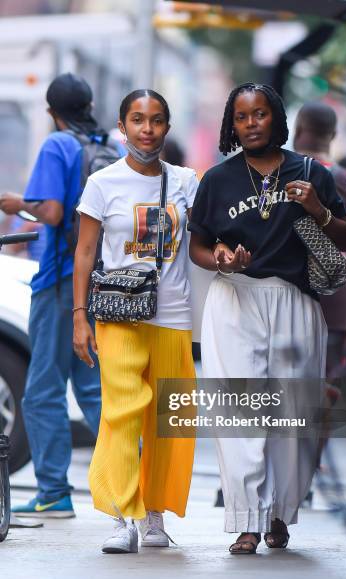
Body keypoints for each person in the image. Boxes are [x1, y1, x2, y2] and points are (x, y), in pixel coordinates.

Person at [189, 82, 346, 554]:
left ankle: (280, 514)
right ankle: (247, 519)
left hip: (294, 300)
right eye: (241, 117)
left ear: (278, 119)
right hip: (235, 298)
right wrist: (220, 256)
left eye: (260, 114)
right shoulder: (218, 180)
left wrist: (317, 208)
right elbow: (199, 245)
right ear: (231, 125)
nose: (251, 123)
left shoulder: (312, 173)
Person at [73, 89, 198, 554]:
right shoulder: (103, 183)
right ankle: (121, 514)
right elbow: (85, 252)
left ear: (167, 127)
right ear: (122, 127)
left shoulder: (187, 181)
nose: (148, 129)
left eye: (157, 120)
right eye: (138, 120)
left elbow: (205, 239)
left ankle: (155, 513)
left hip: (174, 314)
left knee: (170, 418)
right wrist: (79, 316)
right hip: (117, 314)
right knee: (122, 411)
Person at [0, 73, 109, 518]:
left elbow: (52, 211)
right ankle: (131, 477)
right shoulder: (110, 147)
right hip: (101, 281)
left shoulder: (57, 145)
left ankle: (53, 492)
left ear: (51, 112)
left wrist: (16, 203)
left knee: (42, 389)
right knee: (93, 387)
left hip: (61, 280)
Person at [294, 101, 346, 377]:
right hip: (335, 305)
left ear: (298, 129)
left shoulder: (279, 174)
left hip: (284, 301)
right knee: (327, 392)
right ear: (334, 135)